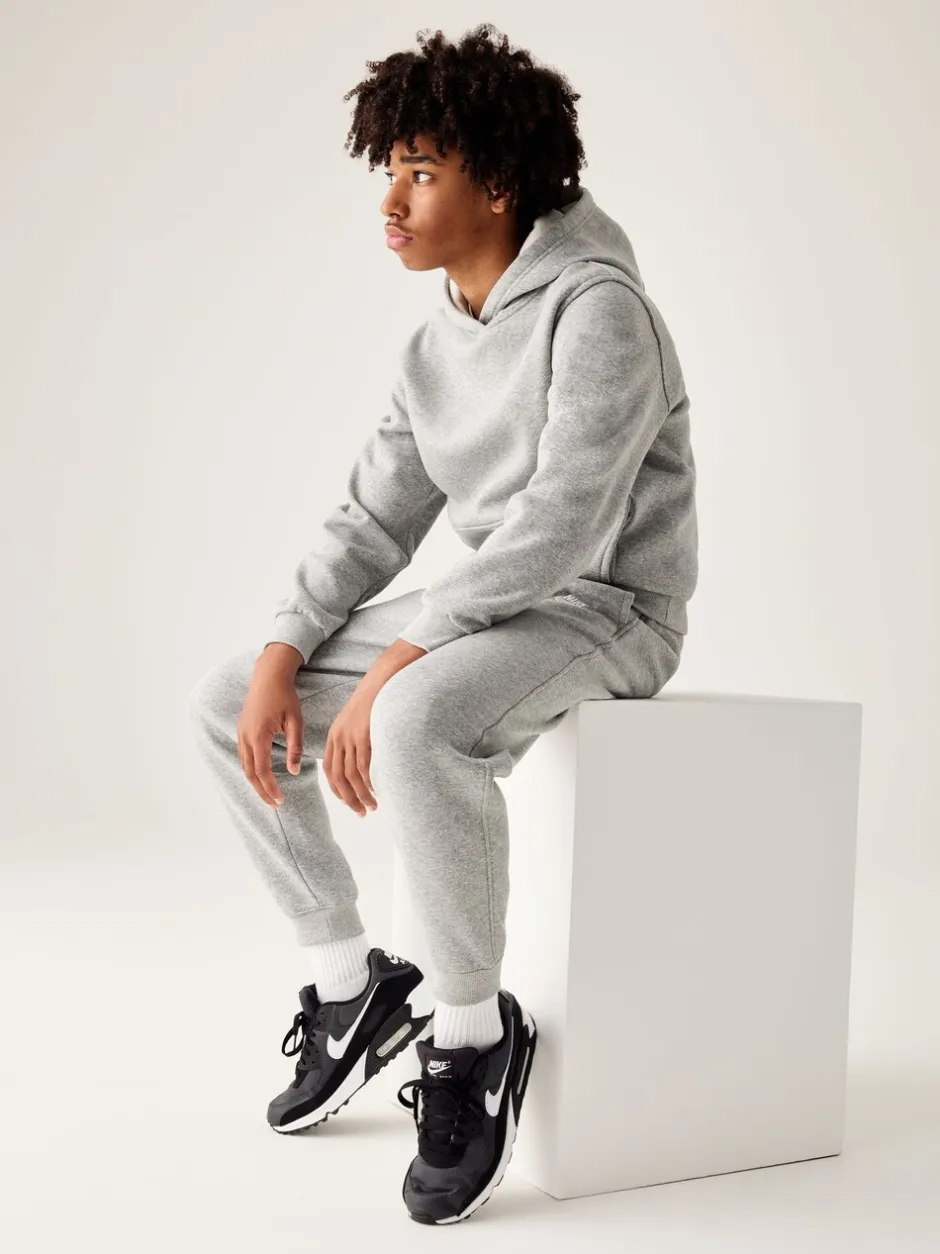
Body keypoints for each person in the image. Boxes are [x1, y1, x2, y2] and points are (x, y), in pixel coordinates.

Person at [187, 22, 697, 1225]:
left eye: (420, 172)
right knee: (224, 700)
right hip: (491, 609)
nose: (391, 200)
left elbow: (564, 526)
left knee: (414, 721)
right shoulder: (435, 343)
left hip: (608, 607)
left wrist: (400, 663)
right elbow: (373, 518)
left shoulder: (599, 311)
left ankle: (470, 1039)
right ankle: (348, 985)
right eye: (389, 170)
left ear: (500, 183)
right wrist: (285, 651)